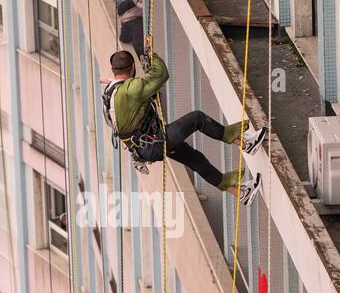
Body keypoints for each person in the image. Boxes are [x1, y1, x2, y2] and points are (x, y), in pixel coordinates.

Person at [102, 47, 266, 203]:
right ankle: (244, 142)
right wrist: (152, 56)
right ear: (132, 68)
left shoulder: (110, 92)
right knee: (197, 118)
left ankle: (241, 192)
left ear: (113, 70)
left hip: (146, 147)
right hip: (155, 142)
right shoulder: (131, 89)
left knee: (195, 159)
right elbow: (161, 75)